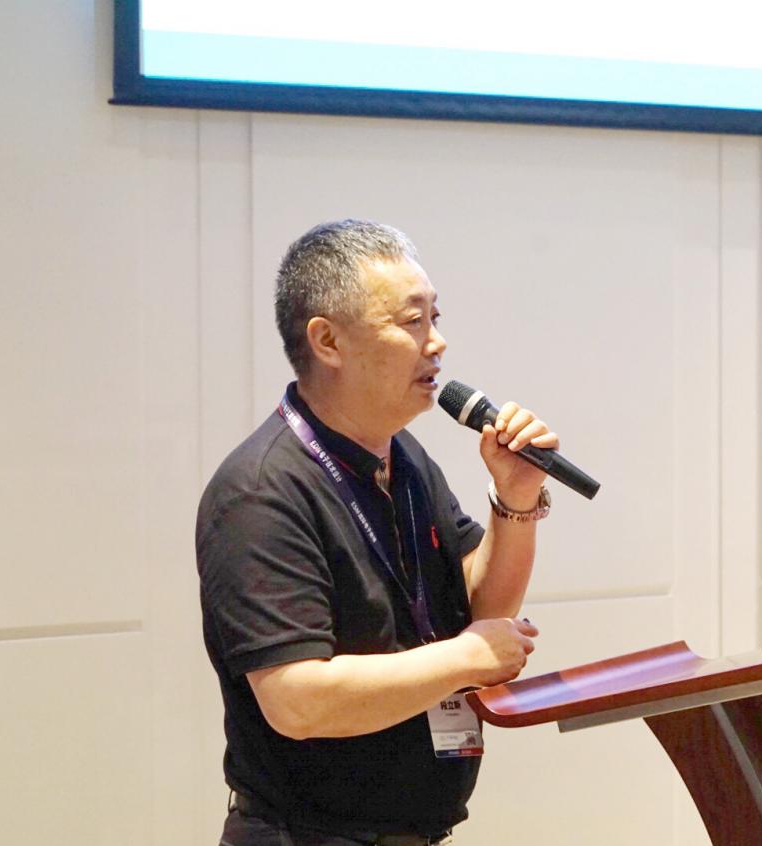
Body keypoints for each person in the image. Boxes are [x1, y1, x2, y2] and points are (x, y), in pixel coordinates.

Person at [197, 220, 557, 846]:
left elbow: (484, 609)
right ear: (328, 341)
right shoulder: (261, 491)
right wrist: (464, 658)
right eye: (412, 321)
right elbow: (297, 700)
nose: (437, 342)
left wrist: (516, 499)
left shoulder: (405, 456)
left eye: (435, 317)